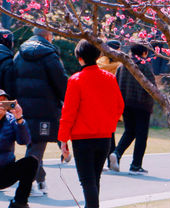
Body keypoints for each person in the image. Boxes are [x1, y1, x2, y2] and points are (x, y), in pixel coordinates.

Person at [59, 40, 124, 208]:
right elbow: (119, 106)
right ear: (98, 55)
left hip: (82, 138)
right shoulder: (110, 78)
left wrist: (63, 138)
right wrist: (109, 125)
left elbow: (68, 112)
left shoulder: (76, 80)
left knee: (87, 181)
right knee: (95, 179)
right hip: (104, 136)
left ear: (80, 58)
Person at [13, 27, 68, 196]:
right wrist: (66, 100)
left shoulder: (19, 54)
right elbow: (61, 82)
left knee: (34, 144)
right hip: (45, 109)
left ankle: (41, 180)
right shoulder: (50, 56)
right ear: (48, 36)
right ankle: (26, 185)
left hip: (22, 107)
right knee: (37, 146)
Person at [109, 42, 156, 175]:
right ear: (144, 52)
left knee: (129, 131)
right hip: (142, 105)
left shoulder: (122, 66)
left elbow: (116, 85)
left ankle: (117, 153)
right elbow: (151, 87)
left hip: (125, 104)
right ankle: (136, 165)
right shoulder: (144, 65)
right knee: (141, 135)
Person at [96, 39, 121, 168]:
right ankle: (113, 159)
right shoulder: (121, 64)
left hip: (98, 100)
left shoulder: (98, 63)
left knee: (99, 132)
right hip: (112, 100)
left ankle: (101, 161)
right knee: (110, 132)